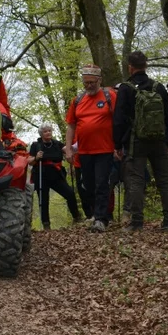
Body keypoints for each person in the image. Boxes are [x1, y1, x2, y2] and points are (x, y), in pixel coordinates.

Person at [112, 51, 168, 230]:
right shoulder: (159, 87)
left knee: (136, 181)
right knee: (164, 180)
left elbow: (119, 119)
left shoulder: (126, 88)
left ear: (130, 67)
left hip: (135, 142)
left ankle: (137, 222)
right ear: (146, 66)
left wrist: (117, 144)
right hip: (159, 141)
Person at [64, 64, 116, 233]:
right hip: (84, 151)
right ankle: (97, 214)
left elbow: (119, 120)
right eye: (85, 83)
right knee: (88, 185)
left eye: (92, 82)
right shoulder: (77, 100)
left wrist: (119, 146)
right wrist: (69, 148)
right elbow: (71, 126)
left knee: (102, 183)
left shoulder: (109, 96)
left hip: (105, 149)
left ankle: (101, 218)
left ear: (99, 80)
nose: (89, 86)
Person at [30, 123, 81, 229]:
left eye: (49, 130)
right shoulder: (36, 145)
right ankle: (46, 225)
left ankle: (76, 217)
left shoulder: (57, 144)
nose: (48, 133)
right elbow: (29, 161)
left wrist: (73, 149)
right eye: (45, 131)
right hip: (41, 176)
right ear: (41, 134)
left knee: (70, 193)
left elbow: (68, 150)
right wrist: (36, 157)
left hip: (56, 176)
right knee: (43, 201)